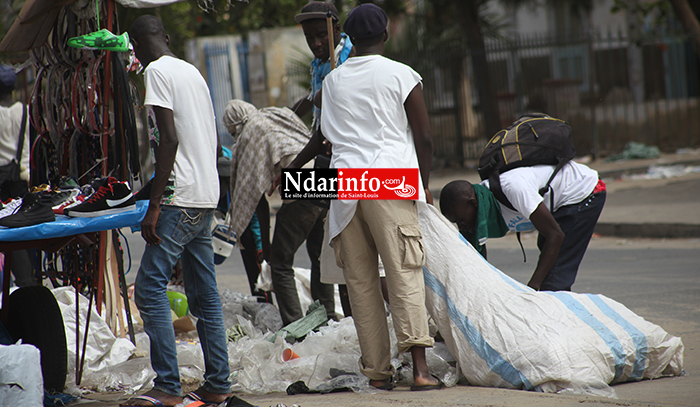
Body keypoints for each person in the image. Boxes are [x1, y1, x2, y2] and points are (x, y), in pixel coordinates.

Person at [276, 3, 443, 391]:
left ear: (348, 35)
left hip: (347, 188)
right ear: (385, 35)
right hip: (390, 182)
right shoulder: (403, 75)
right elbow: (425, 139)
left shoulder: (332, 81)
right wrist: (425, 183)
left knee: (361, 284)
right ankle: (419, 370)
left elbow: (323, 138)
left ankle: (378, 373)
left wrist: (291, 174)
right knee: (403, 272)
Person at [126, 16, 231, 407]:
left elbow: (167, 140)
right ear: (166, 37)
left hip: (179, 198)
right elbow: (212, 139)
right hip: (205, 195)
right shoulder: (193, 73)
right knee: (206, 297)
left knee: (149, 289)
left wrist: (154, 206)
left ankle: (168, 386)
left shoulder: (156, 73)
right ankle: (219, 383)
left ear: (135, 47)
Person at [222, 99, 337, 322]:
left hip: (300, 182)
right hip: (325, 175)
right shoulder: (275, 114)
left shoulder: (250, 133)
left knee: (281, 264)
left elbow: (256, 197)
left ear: (234, 125)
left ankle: (295, 326)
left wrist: (266, 245)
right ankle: (327, 321)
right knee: (319, 258)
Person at [439, 160, 606, 292]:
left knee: (554, 279)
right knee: (548, 256)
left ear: (473, 204)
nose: (462, 227)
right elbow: (475, 263)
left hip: (583, 191)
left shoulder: (514, 189)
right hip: (557, 203)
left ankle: (558, 330)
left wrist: (531, 289)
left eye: (461, 220)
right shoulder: (482, 206)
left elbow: (556, 235)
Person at [291, 1, 354, 127]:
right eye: (309, 37)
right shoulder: (320, 61)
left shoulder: (351, 55)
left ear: (336, 29)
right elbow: (314, 98)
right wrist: (287, 114)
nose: (315, 44)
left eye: (322, 35)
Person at [0, 64, 35, 287]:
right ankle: (26, 281)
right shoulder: (25, 110)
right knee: (19, 234)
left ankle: (22, 280)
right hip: (21, 180)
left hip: (1, 181)